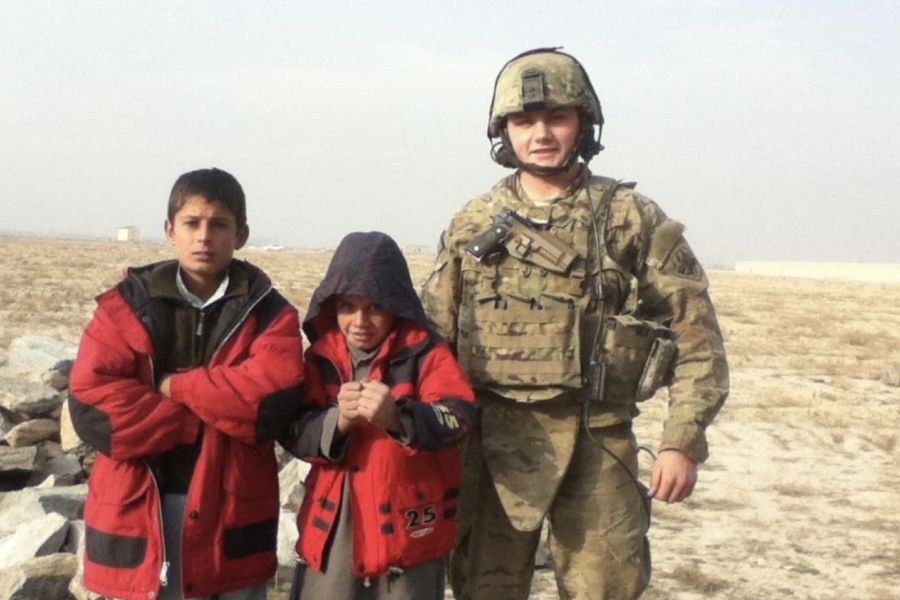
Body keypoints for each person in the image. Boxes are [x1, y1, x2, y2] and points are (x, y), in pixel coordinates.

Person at [420, 48, 730, 600]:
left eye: (556, 117)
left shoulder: (630, 217)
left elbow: (696, 337)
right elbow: (431, 342)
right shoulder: (472, 222)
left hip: (598, 445)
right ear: (504, 132)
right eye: (523, 121)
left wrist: (682, 442)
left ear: (583, 123)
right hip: (491, 454)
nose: (540, 133)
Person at [68, 167, 305, 600]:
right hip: (136, 511)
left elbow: (268, 403)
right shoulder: (124, 305)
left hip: (230, 517)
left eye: (219, 224)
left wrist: (176, 388)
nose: (204, 237)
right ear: (169, 230)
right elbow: (91, 406)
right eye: (191, 223)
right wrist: (200, 417)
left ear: (241, 234)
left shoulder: (271, 315)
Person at [280, 231, 476, 600]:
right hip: (335, 527)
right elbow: (293, 431)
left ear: (396, 307)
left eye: (375, 308)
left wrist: (399, 417)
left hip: (408, 528)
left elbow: (459, 417)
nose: (360, 321)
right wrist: (336, 423)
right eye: (348, 307)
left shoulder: (425, 353)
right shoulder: (319, 358)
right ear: (331, 306)